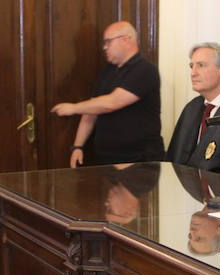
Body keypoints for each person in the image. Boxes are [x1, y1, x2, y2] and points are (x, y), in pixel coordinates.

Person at [52, 21, 164, 167]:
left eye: (108, 42)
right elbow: (91, 110)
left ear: (126, 39)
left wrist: (73, 108)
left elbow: (112, 103)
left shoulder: (145, 70)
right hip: (107, 158)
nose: (105, 47)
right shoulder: (108, 71)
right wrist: (78, 146)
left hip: (138, 159)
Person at [166, 42, 220, 171]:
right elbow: (174, 156)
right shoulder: (192, 107)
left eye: (201, 65)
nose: (193, 73)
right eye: (192, 66)